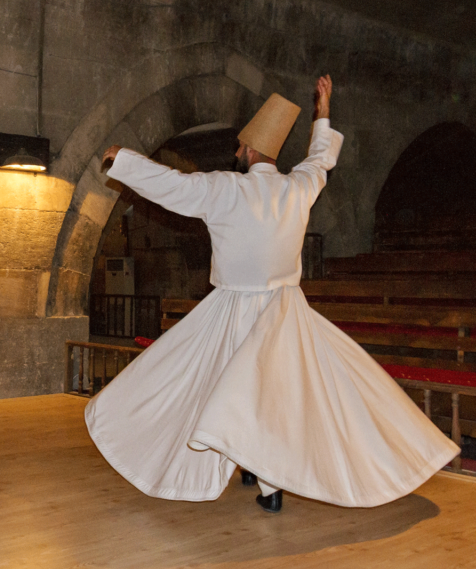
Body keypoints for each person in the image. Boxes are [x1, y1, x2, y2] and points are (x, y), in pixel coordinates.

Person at [86, 76, 459, 513]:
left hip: (233, 309)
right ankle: (260, 472)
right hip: (286, 310)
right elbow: (320, 160)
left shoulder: (227, 188)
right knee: (272, 396)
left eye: (239, 148)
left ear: (247, 150)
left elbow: (174, 186)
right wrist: (323, 111)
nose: (236, 153)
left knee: (206, 384)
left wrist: (124, 161)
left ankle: (268, 484)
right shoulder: (297, 187)